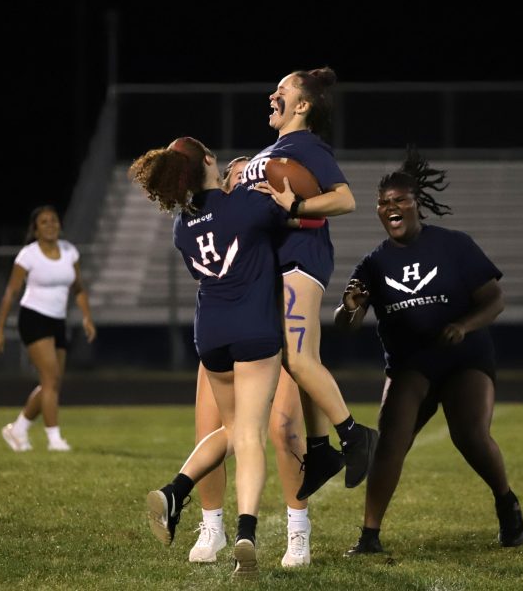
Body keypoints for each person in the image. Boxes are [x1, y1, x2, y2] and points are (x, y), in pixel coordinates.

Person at [333, 147, 523, 555]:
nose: (391, 207)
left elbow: (495, 299)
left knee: (469, 433)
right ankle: (369, 536)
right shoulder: (372, 264)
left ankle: (506, 502)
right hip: (410, 365)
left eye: (399, 200)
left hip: (464, 357)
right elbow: (346, 326)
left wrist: (463, 325)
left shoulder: (454, 245)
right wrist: (348, 309)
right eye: (383, 203)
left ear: (416, 202)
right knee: (392, 440)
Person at [129, 136, 292, 579]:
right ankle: (246, 533)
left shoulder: (182, 225)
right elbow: (288, 213)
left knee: (231, 426)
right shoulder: (245, 204)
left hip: (212, 335)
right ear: (206, 160)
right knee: (250, 436)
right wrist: (286, 198)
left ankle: (176, 490)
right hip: (254, 329)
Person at [242, 66, 378, 501]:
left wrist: (298, 204)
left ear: (302, 105)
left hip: (301, 261)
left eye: (281, 90)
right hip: (279, 262)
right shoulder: (279, 147)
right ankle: (320, 450)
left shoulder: (305, 145)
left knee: (299, 360)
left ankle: (355, 436)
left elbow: (345, 198)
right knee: (295, 360)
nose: (272, 95)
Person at [188, 156, 312, 568]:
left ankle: (298, 529)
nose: (247, 183)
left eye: (253, 177)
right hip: (231, 335)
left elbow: (311, 222)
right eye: (238, 177)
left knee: (285, 430)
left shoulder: (270, 217)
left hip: (277, 334)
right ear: (224, 185)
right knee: (211, 431)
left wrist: (293, 206)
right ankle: (212, 525)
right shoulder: (227, 219)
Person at [0, 205, 96, 452]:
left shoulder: (70, 252)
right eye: (44, 222)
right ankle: (54, 439)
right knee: (50, 379)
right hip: (33, 318)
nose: (50, 225)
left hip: (57, 320)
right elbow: (11, 291)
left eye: (53, 221)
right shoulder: (28, 255)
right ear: (35, 229)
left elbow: (78, 288)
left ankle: (18, 429)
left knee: (53, 382)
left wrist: (87, 318)